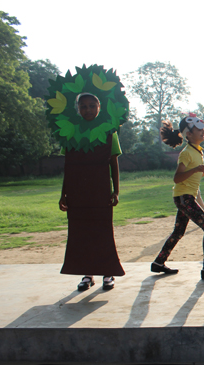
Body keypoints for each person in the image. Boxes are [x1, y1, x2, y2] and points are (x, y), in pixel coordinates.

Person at [150, 113, 204, 279]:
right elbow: (177, 178)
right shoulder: (186, 153)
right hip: (184, 198)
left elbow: (199, 174)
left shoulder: (197, 151)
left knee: (178, 232)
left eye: (203, 129)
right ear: (188, 133)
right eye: (199, 129)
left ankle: (158, 262)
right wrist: (195, 169)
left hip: (186, 197)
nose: (203, 132)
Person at [59, 93, 124, 291]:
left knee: (102, 231)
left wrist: (116, 191)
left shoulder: (108, 131)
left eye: (92, 106)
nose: (88, 110)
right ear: (78, 109)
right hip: (78, 192)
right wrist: (63, 194)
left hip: (100, 190)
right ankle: (87, 274)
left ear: (99, 107)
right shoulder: (71, 132)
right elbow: (68, 165)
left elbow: (113, 162)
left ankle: (108, 273)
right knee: (81, 232)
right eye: (83, 106)